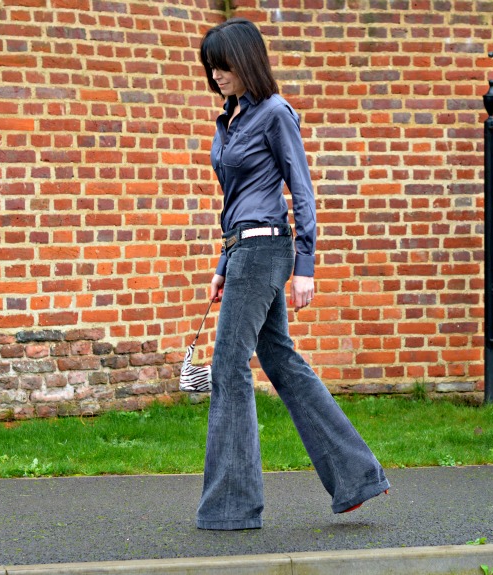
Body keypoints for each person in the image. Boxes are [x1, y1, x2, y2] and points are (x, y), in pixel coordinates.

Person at [196, 17, 390, 531]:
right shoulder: (231, 119)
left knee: (228, 368)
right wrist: (222, 264)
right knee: (279, 359)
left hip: (267, 251)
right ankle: (357, 476)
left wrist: (305, 266)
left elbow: (300, 193)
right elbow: (236, 202)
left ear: (248, 61)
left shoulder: (276, 113)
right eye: (211, 67)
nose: (217, 74)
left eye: (224, 65)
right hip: (243, 251)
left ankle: (233, 506)